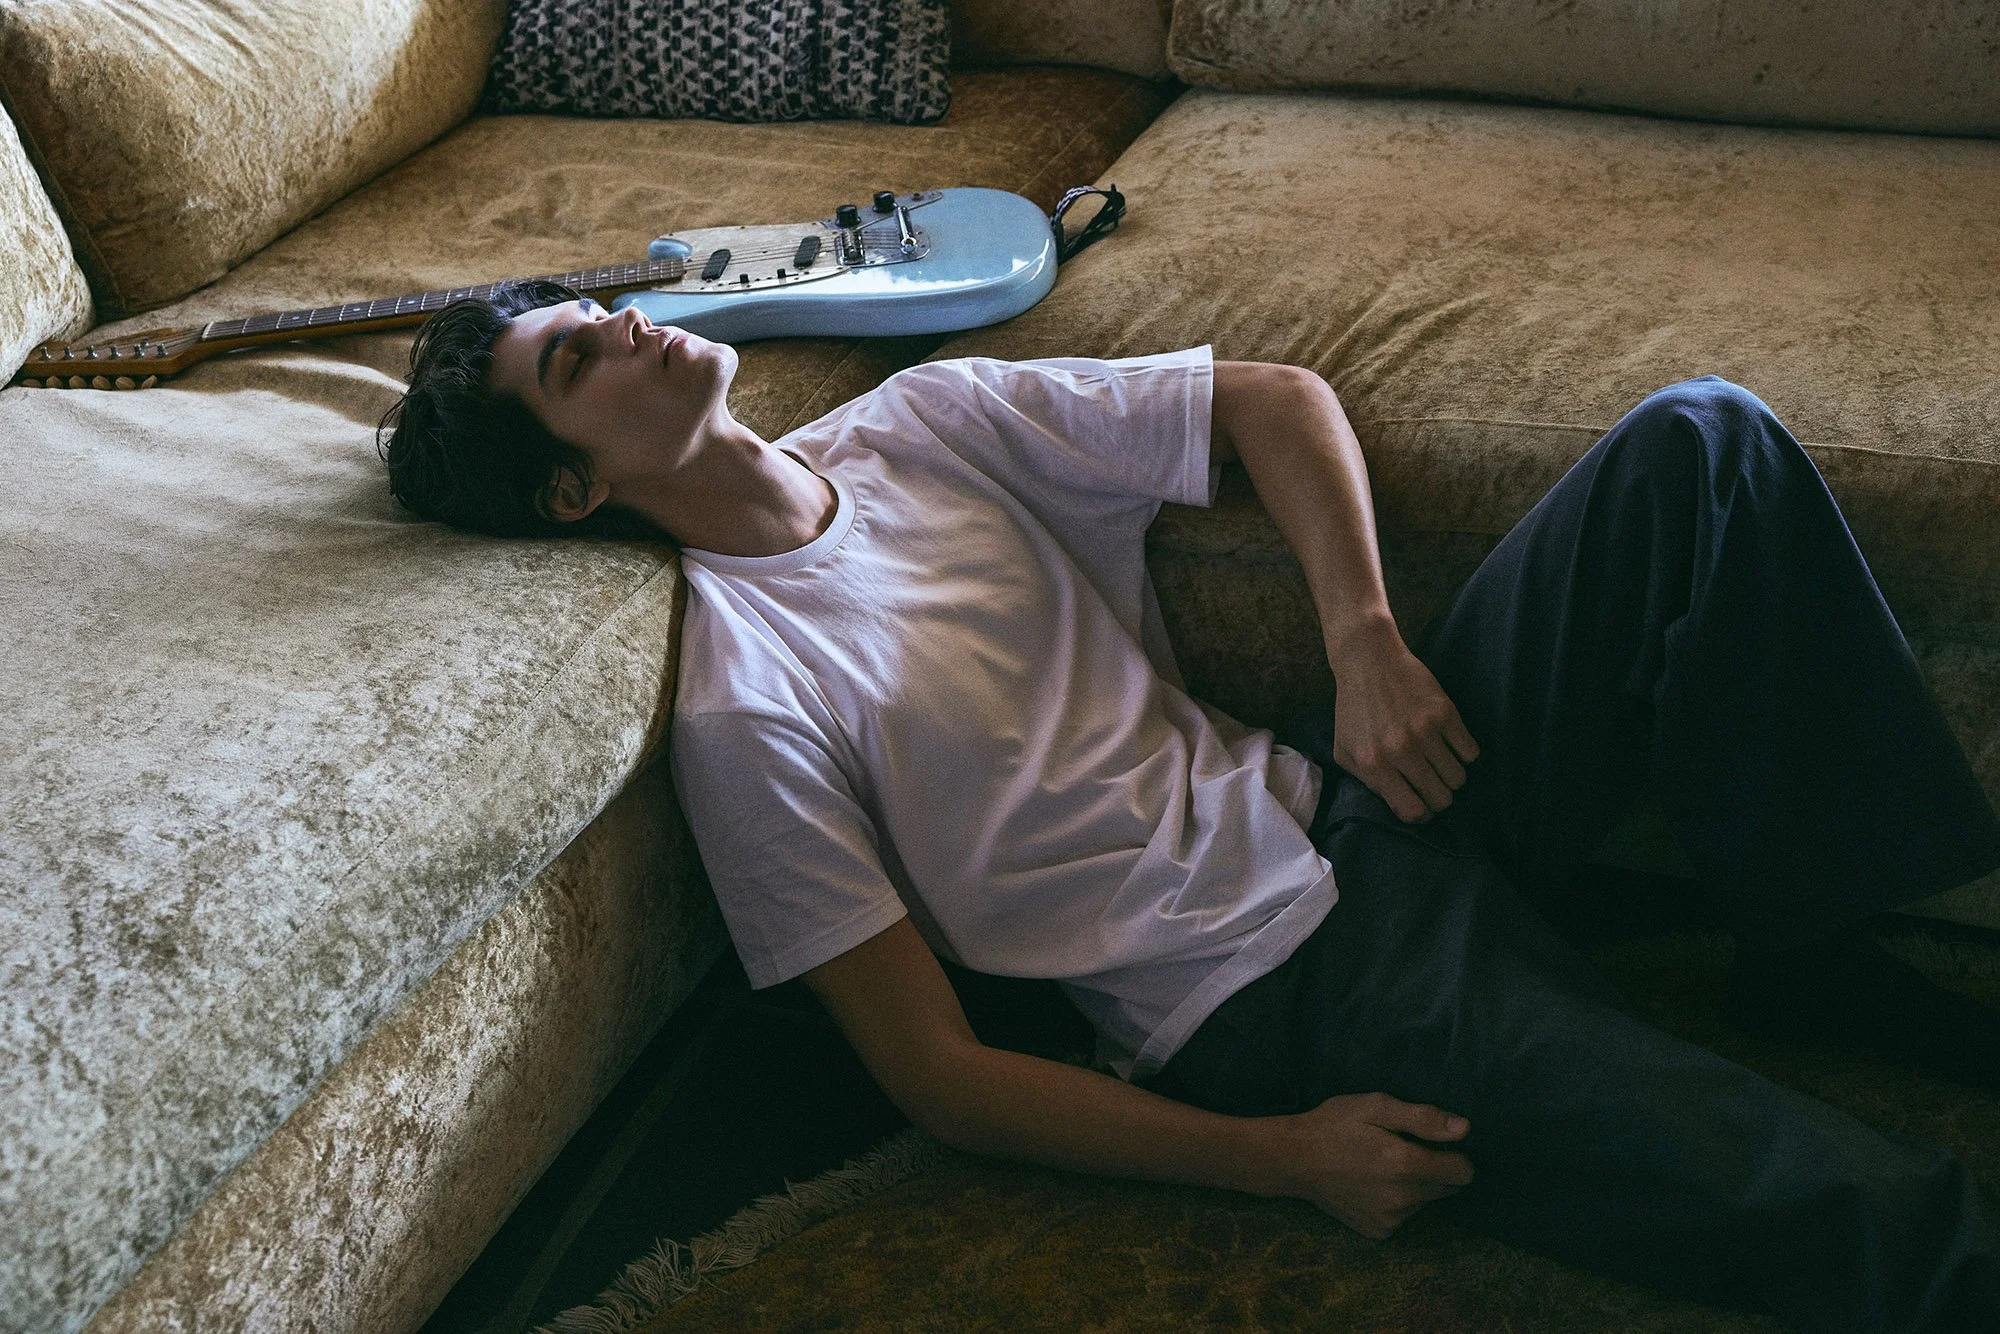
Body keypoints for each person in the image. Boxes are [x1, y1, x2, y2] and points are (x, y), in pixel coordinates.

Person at [378, 278, 2000, 1330]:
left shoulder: (914, 426)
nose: (632, 323)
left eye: (597, 308)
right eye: (578, 361)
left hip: (1356, 787)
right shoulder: (749, 704)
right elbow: (937, 1073)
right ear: (574, 488)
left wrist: (1365, 642)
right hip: (1284, 991)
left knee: (1699, 445)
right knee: (1863, 1214)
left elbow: (1273, 398)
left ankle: (1811, 938)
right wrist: (1280, 1158)